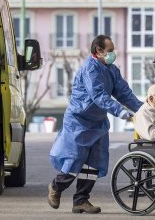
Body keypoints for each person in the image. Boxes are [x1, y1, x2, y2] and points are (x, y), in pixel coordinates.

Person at [48, 35, 142, 214]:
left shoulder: (111, 70)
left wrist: (143, 110)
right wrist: (119, 111)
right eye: (110, 50)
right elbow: (98, 95)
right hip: (79, 122)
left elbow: (124, 93)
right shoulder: (90, 69)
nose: (114, 54)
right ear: (99, 50)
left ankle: (81, 201)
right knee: (74, 160)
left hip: (97, 123)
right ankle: (56, 187)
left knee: (93, 164)